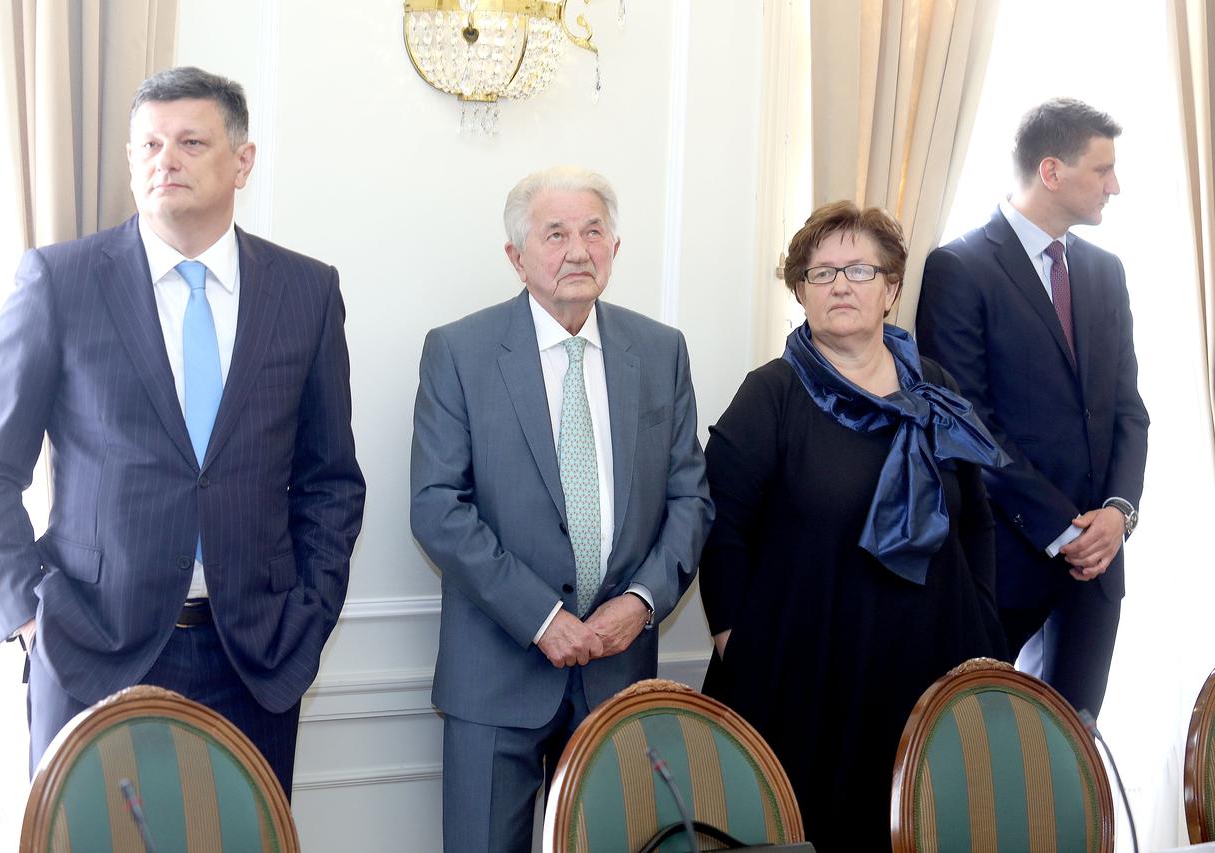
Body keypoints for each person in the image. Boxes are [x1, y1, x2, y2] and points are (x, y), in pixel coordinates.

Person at [0, 66, 365, 798]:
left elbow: (329, 479)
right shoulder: (60, 281)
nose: (164, 160)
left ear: (242, 161)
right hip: (89, 650)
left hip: (257, 660)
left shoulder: (306, 291)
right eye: (148, 145)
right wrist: (29, 615)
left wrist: (310, 610)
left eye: (190, 142)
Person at [410, 165, 714, 853]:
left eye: (593, 231)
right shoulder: (459, 351)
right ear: (516, 257)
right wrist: (542, 618)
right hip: (495, 675)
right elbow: (438, 507)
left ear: (615, 246)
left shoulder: (660, 351)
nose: (578, 250)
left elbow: (690, 498)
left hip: (618, 671)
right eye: (555, 234)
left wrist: (640, 601)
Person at [700, 201, 1009, 850]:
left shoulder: (935, 387)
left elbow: (976, 519)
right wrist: (734, 640)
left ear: (891, 289)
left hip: (929, 665)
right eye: (822, 272)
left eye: (860, 270)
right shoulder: (771, 393)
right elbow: (721, 527)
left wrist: (982, 620)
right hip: (807, 675)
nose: (841, 284)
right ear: (801, 290)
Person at [916, 98, 1149, 718]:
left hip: (1099, 564)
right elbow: (966, 423)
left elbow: (1128, 409)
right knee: (980, 743)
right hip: (1003, 561)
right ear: (1051, 171)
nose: (1115, 186)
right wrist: (1063, 530)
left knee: (1075, 744)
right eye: (1103, 169)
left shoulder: (1106, 271)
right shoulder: (959, 267)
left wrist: (1117, 515)